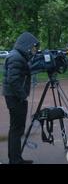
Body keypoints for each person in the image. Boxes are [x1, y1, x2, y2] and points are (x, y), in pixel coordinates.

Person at [3, 32, 40, 164]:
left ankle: (16, 158)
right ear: (26, 45)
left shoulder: (18, 56)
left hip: (15, 97)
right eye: (33, 47)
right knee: (16, 129)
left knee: (17, 128)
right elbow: (13, 80)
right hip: (15, 97)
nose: (34, 50)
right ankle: (14, 160)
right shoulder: (16, 57)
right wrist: (22, 95)